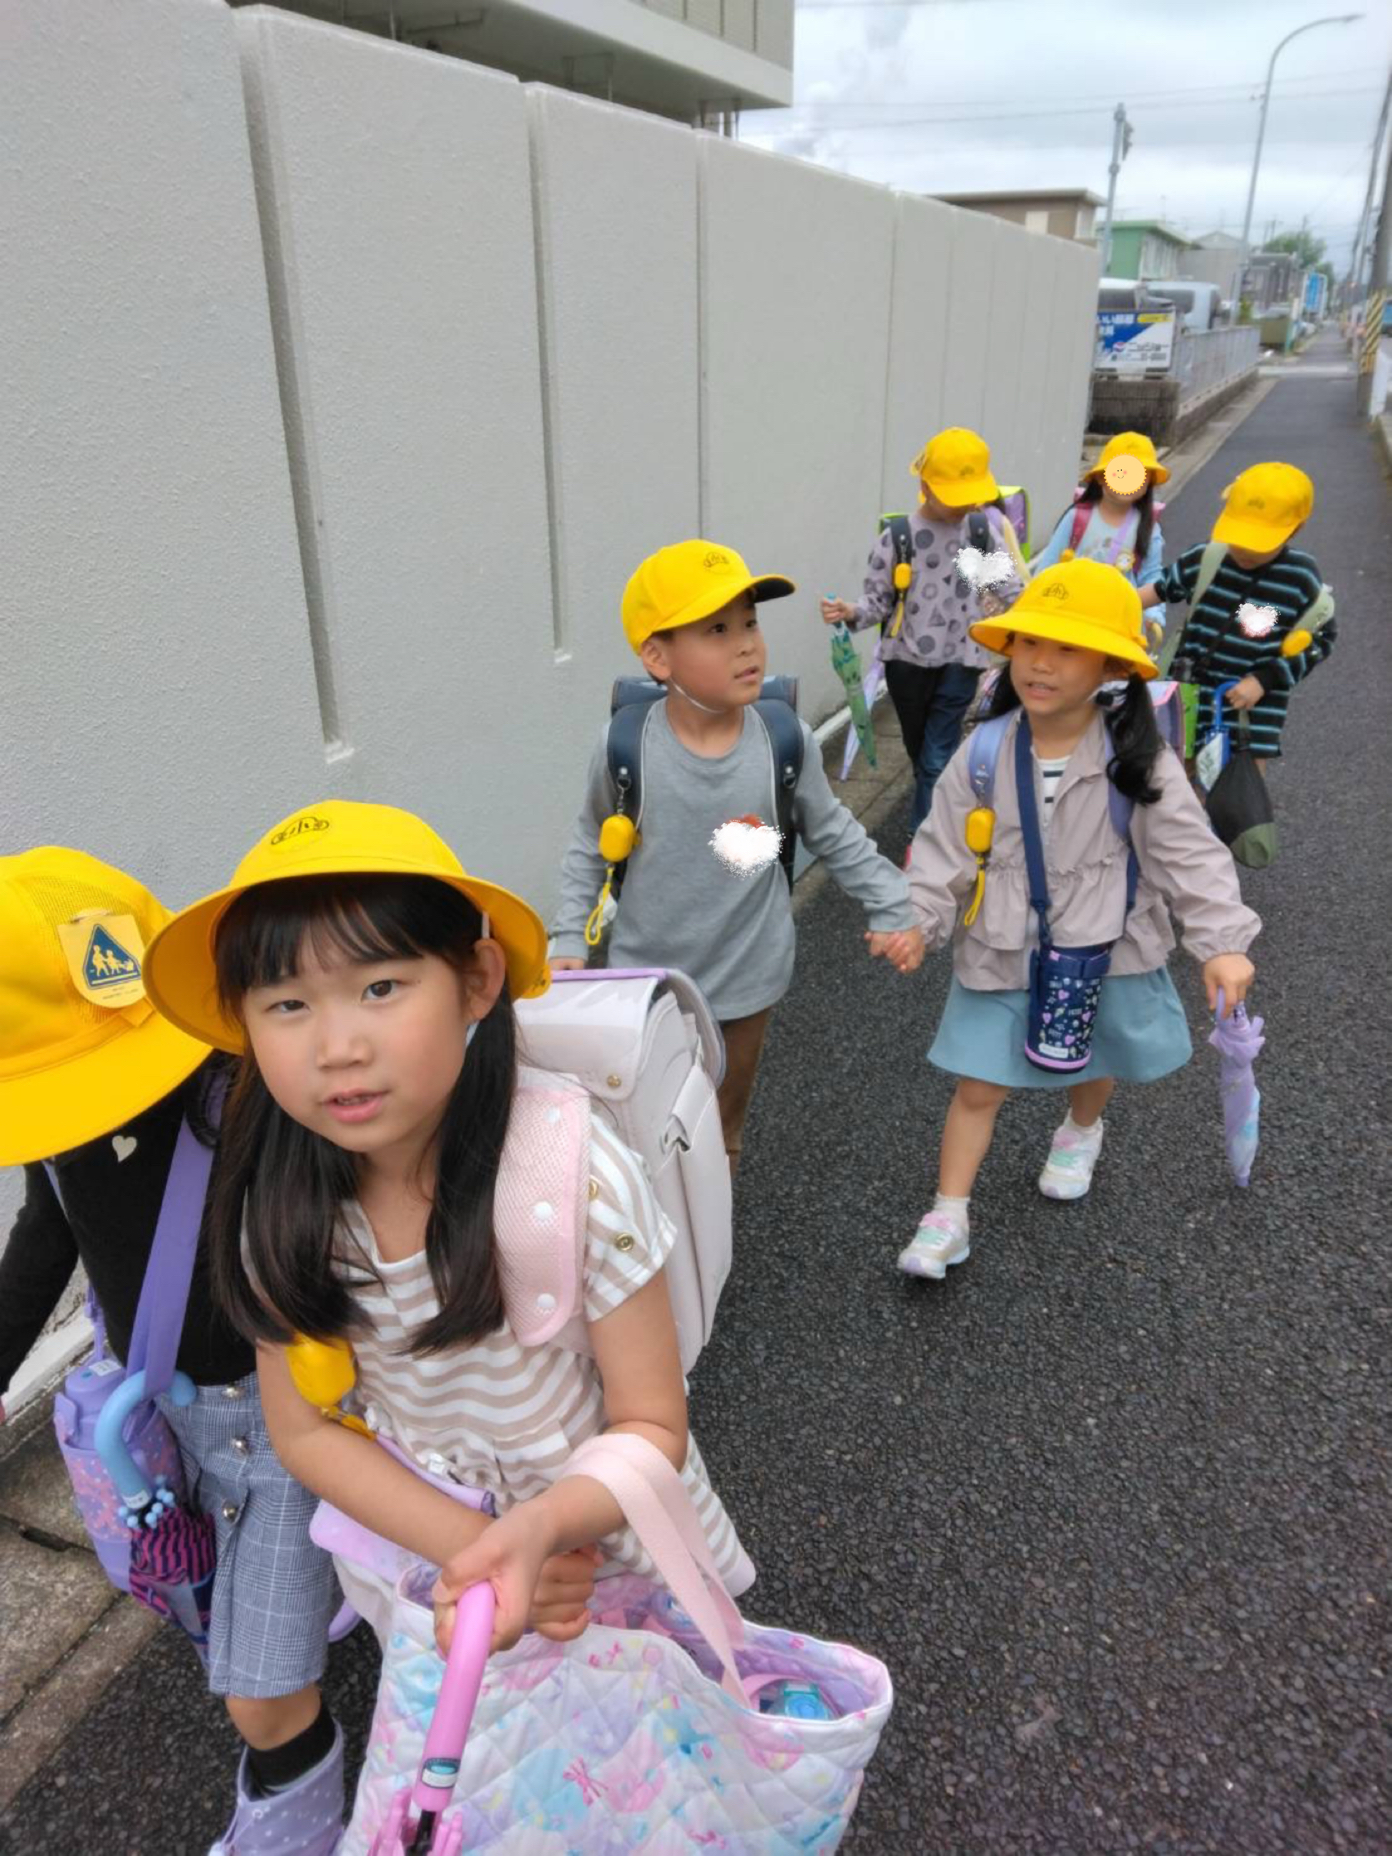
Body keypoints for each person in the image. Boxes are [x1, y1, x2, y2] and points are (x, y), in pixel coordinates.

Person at [141, 799, 754, 1660]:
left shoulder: (575, 1180)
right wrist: (478, 1551)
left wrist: (538, 1534)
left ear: (476, 980)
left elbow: (652, 1426)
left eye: (380, 988)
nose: (337, 1047)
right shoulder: (281, 1203)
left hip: (600, 1552)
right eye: (286, 1004)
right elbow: (304, 1431)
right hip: (437, 1548)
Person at [0, 848, 343, 1856]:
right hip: (163, 1416)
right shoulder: (58, 1126)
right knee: (223, 1613)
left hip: (289, 1423)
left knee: (262, 1698)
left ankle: (300, 1829)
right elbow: (48, 1234)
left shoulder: (246, 1090)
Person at [896, 561, 1260, 1281]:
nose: (1041, 663)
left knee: (1098, 1052)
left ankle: (1081, 1128)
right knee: (978, 1082)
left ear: (1111, 666)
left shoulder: (1137, 758)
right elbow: (941, 849)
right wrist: (917, 919)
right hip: (1004, 941)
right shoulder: (985, 750)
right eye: (1030, 643)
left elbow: (1189, 853)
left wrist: (1221, 943)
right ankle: (948, 1214)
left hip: (1107, 941)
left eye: (1067, 649)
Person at [550, 540, 923, 1167]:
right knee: (643, 1121)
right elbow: (590, 841)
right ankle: (653, 1219)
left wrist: (892, 903)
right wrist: (567, 937)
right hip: (649, 980)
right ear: (657, 656)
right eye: (717, 630)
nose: (746, 644)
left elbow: (833, 831)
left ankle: (713, 1218)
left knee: (722, 1123)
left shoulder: (783, 741)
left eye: (749, 623)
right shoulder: (625, 747)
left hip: (750, 979)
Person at [820, 428, 1025, 836]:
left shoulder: (980, 532)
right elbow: (878, 601)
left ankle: (925, 842)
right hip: (906, 662)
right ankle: (939, 803)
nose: (965, 504)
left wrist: (1046, 615)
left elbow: (1009, 588)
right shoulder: (898, 538)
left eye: (971, 495)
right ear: (926, 486)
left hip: (963, 657)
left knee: (935, 757)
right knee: (921, 754)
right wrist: (851, 612)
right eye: (955, 495)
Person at [1140, 461, 1335, 766]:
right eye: (1239, 536)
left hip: (1252, 712)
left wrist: (1266, 679)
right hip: (1188, 697)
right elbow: (1157, 590)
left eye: (1258, 542)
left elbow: (1322, 638)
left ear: (1296, 528)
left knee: (1238, 791)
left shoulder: (1300, 577)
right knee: (1174, 782)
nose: (1244, 550)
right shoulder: (1208, 558)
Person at [1030, 431, 1168, 607]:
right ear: (1100, 477)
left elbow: (1152, 579)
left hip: (1118, 617)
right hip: (1070, 611)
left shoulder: (1148, 528)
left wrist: (1153, 616)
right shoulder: (1076, 518)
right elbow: (1048, 567)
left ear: (1148, 483)